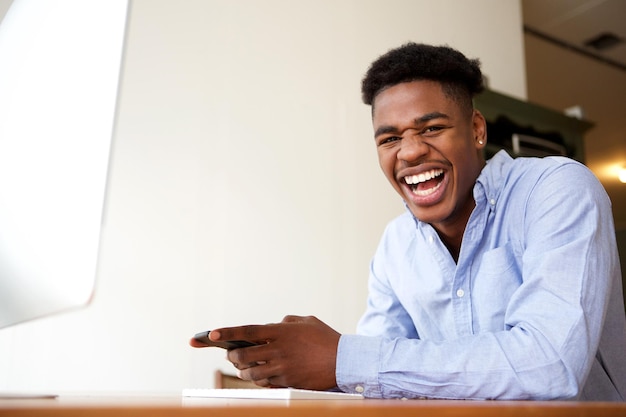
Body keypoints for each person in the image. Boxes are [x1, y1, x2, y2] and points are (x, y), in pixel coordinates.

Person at [192, 43, 626, 401]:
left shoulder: (557, 189)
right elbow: (381, 385)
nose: (410, 151)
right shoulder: (396, 245)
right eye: (390, 138)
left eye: (431, 128)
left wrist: (342, 357)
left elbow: (549, 364)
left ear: (476, 129)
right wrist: (298, 368)